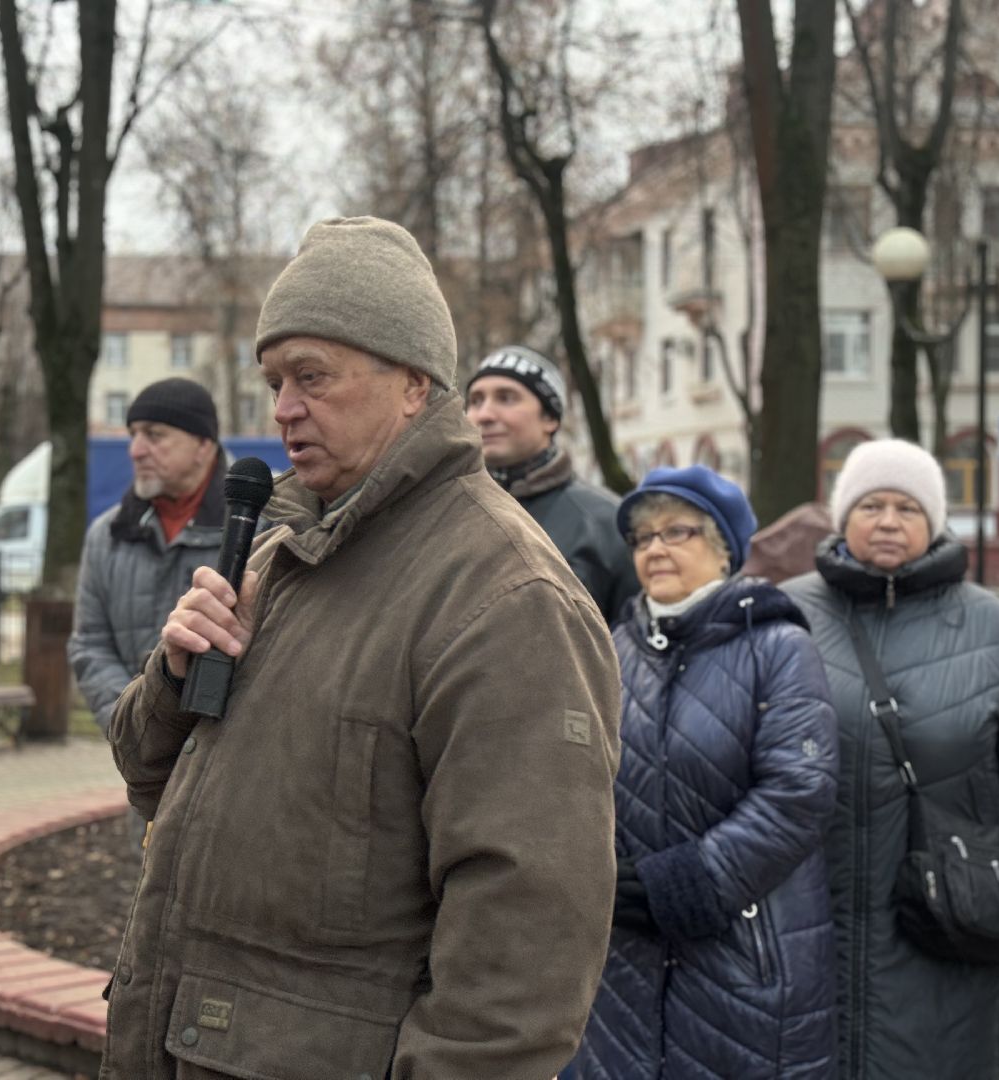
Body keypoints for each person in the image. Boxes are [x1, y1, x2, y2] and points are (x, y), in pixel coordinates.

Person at [98, 216, 622, 1080]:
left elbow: (524, 952)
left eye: (313, 376)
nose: (284, 409)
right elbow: (146, 777)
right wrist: (175, 674)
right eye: (273, 380)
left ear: (414, 384)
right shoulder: (279, 554)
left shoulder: (506, 598)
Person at [783, 439, 999, 1079]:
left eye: (907, 506)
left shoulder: (988, 625)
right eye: (870, 504)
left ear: (933, 521)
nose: (888, 520)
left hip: (951, 923)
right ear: (843, 515)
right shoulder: (788, 611)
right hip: (817, 916)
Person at [574, 465, 839, 1080]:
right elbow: (581, 778)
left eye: (677, 531)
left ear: (723, 548)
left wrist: (690, 883)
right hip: (623, 960)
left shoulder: (776, 645)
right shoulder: (612, 650)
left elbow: (799, 790)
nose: (655, 548)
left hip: (746, 955)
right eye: (642, 538)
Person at [68, 377, 226, 725]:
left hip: (230, 759)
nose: (136, 450)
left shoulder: (257, 530)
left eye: (154, 435)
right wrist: (133, 724)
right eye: (134, 434)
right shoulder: (107, 535)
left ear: (203, 444)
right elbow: (90, 644)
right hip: (141, 758)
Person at [465, 345, 638, 624]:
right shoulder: (444, 510)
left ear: (550, 418)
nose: (484, 414)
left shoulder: (608, 524)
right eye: (475, 401)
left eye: (506, 398)